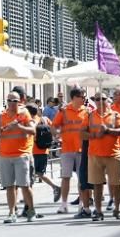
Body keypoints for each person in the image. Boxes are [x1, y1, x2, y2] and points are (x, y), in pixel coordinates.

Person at [0, 93, 38, 223]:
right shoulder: (1, 116)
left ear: (19, 102)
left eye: (15, 100)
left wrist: (19, 126)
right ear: (6, 101)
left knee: (24, 185)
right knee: (9, 186)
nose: (12, 103)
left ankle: (31, 211)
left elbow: (33, 131)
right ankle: (12, 213)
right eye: (9, 100)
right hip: (5, 155)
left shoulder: (24, 114)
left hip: (21, 155)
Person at [51, 87, 92, 216]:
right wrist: (56, 134)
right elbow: (54, 126)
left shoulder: (87, 111)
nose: (84, 99)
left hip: (82, 149)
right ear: (74, 98)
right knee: (66, 177)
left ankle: (82, 204)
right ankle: (64, 204)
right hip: (67, 148)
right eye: (82, 96)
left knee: (82, 178)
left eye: (84, 96)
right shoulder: (64, 111)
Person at [86, 92, 120, 220]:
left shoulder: (115, 115)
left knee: (116, 184)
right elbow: (82, 134)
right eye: (96, 99)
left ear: (107, 100)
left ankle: (117, 209)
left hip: (113, 154)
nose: (99, 101)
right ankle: (98, 211)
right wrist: (94, 135)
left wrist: (108, 130)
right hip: (95, 155)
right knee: (97, 184)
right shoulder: (90, 116)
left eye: (102, 99)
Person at [26, 104, 62, 202]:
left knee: (30, 174)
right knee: (40, 173)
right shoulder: (44, 119)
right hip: (44, 150)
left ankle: (28, 196)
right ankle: (55, 187)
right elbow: (53, 129)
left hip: (33, 150)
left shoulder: (31, 121)